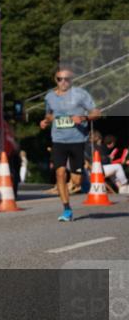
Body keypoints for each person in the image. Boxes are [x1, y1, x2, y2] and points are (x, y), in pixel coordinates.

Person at [39, 66, 101, 221]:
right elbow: (49, 114)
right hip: (58, 140)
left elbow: (96, 112)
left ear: (72, 80)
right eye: (60, 79)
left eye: (67, 79)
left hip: (77, 140)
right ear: (56, 80)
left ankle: (81, 176)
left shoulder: (81, 94)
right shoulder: (50, 97)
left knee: (76, 180)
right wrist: (46, 121)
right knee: (60, 173)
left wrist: (84, 118)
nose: (63, 82)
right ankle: (66, 209)